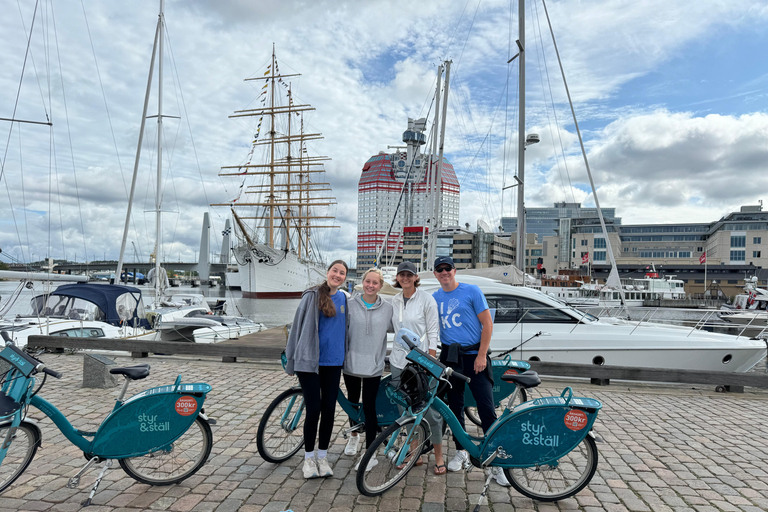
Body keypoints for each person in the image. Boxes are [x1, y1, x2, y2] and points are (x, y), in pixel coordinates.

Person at [431, 256, 509, 486]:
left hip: (475, 355)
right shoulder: (434, 297)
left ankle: (496, 463)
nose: (444, 272)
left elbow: (487, 324)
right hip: (450, 356)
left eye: (448, 268)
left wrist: (482, 354)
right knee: (454, 405)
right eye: (439, 269)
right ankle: (461, 451)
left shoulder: (471, 291)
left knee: (485, 405)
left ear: (454, 271)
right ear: (435, 274)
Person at [284, 260, 349, 479]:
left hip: (333, 362)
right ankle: (309, 458)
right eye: (335, 271)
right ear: (328, 272)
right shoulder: (311, 296)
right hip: (310, 362)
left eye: (342, 273)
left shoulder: (344, 300)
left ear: (345, 278)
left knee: (329, 409)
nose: (337, 275)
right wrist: (291, 360)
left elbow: (346, 330)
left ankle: (323, 456)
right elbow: (297, 328)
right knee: (314, 409)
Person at [389, 261, 446, 474]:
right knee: (404, 409)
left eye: (409, 275)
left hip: (420, 363)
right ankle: (415, 451)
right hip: (398, 361)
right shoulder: (394, 301)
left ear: (415, 278)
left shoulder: (426, 300)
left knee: (429, 411)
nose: (405, 278)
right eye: (401, 275)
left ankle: (438, 455)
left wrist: (428, 362)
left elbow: (433, 332)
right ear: (397, 278)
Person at [343, 268, 393, 471]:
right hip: (351, 363)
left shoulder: (388, 308)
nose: (370, 285)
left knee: (370, 407)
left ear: (380, 286)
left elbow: (399, 328)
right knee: (353, 402)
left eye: (375, 283)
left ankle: (369, 453)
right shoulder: (349, 305)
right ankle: (353, 436)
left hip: (373, 365)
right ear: (362, 283)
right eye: (367, 281)